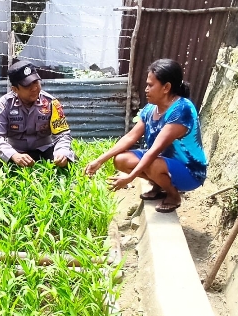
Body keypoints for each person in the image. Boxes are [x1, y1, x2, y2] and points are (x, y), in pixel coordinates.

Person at [85, 59, 207, 213]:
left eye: (150, 85)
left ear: (166, 87)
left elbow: (154, 151)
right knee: (121, 160)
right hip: (163, 162)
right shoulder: (151, 108)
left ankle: (173, 195)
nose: (146, 89)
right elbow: (130, 137)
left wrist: (129, 178)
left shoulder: (182, 110)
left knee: (153, 163)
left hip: (189, 171)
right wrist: (99, 160)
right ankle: (159, 185)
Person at [0, 60, 74, 168]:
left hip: (44, 150)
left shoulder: (51, 103)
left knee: (68, 160)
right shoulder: (5, 104)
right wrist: (14, 155)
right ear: (15, 89)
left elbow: (62, 135)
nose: (34, 88)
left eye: (36, 82)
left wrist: (62, 152)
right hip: (16, 150)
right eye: (27, 85)